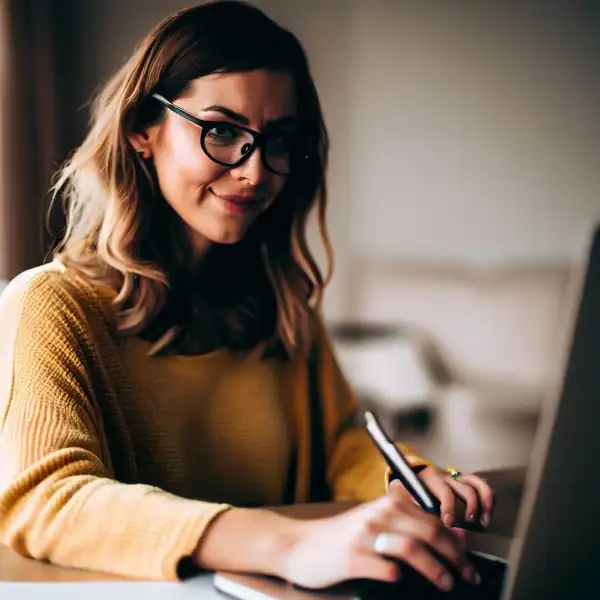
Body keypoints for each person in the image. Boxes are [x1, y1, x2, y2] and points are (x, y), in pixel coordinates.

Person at [0, 1, 493, 592]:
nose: (255, 172)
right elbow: (49, 498)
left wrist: (404, 477)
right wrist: (287, 543)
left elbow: (339, 446)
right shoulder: (52, 304)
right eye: (223, 131)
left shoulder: (285, 311)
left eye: (277, 140)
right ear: (142, 131)